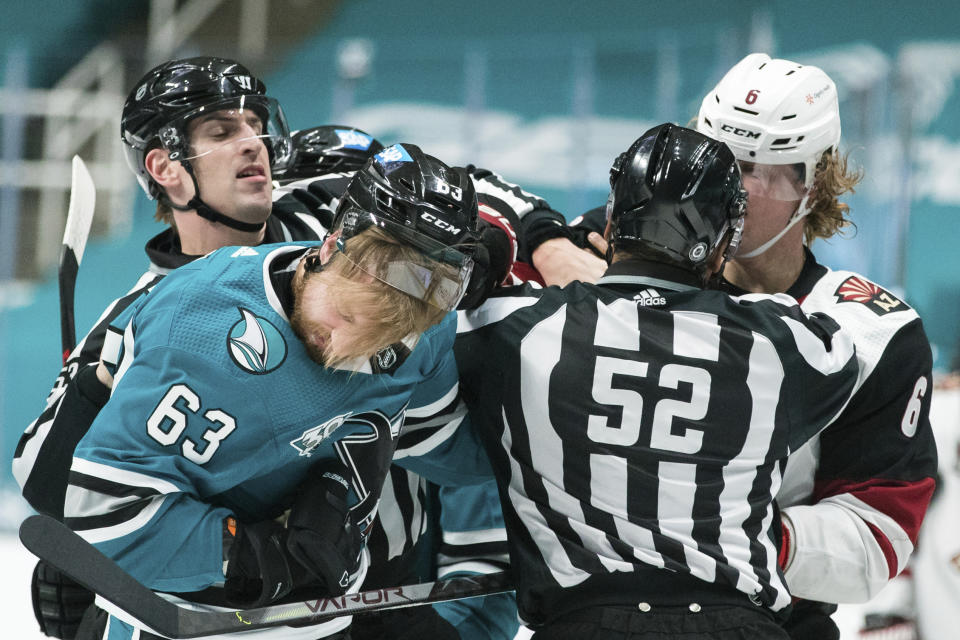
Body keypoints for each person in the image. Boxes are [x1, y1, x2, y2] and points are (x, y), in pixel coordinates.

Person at [63, 141, 498, 640]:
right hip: (180, 623)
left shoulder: (424, 336)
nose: (345, 350)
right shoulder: (198, 321)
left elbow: (448, 447)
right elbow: (100, 510)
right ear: (332, 245)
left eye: (379, 344)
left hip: (322, 625)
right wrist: (248, 554)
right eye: (347, 318)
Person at [453, 123, 861, 640]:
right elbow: (837, 356)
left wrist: (547, 240)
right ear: (723, 242)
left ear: (612, 217)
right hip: (736, 625)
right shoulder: (783, 340)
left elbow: (462, 186)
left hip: (581, 623)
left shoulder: (516, 326)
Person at [695, 53, 939, 639]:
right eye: (721, 163)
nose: (736, 189)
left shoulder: (876, 334)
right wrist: (549, 240)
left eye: (763, 169)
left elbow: (879, 534)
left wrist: (721, 537)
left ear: (814, 184)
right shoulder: (623, 262)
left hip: (770, 623)